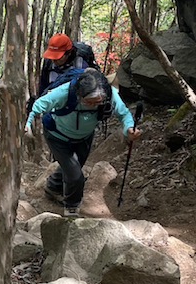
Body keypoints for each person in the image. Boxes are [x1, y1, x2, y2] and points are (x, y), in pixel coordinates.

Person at [24, 68, 142, 217]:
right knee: (76, 176)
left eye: (97, 102)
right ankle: (71, 211)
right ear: (79, 94)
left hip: (84, 137)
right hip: (57, 136)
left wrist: (129, 129)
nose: (92, 105)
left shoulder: (109, 94)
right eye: (88, 102)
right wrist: (27, 124)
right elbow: (38, 105)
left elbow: (124, 114)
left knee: (74, 168)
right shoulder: (65, 92)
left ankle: (53, 187)